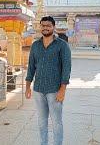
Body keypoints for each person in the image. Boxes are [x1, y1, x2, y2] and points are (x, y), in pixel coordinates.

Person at [25, 16, 71, 145]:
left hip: (54, 90)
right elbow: (31, 67)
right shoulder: (35, 45)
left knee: (56, 122)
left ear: (53, 27)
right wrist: (28, 86)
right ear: (40, 27)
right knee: (41, 122)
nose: (45, 28)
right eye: (43, 25)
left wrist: (63, 89)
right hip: (38, 90)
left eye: (48, 26)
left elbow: (66, 68)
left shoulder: (62, 46)